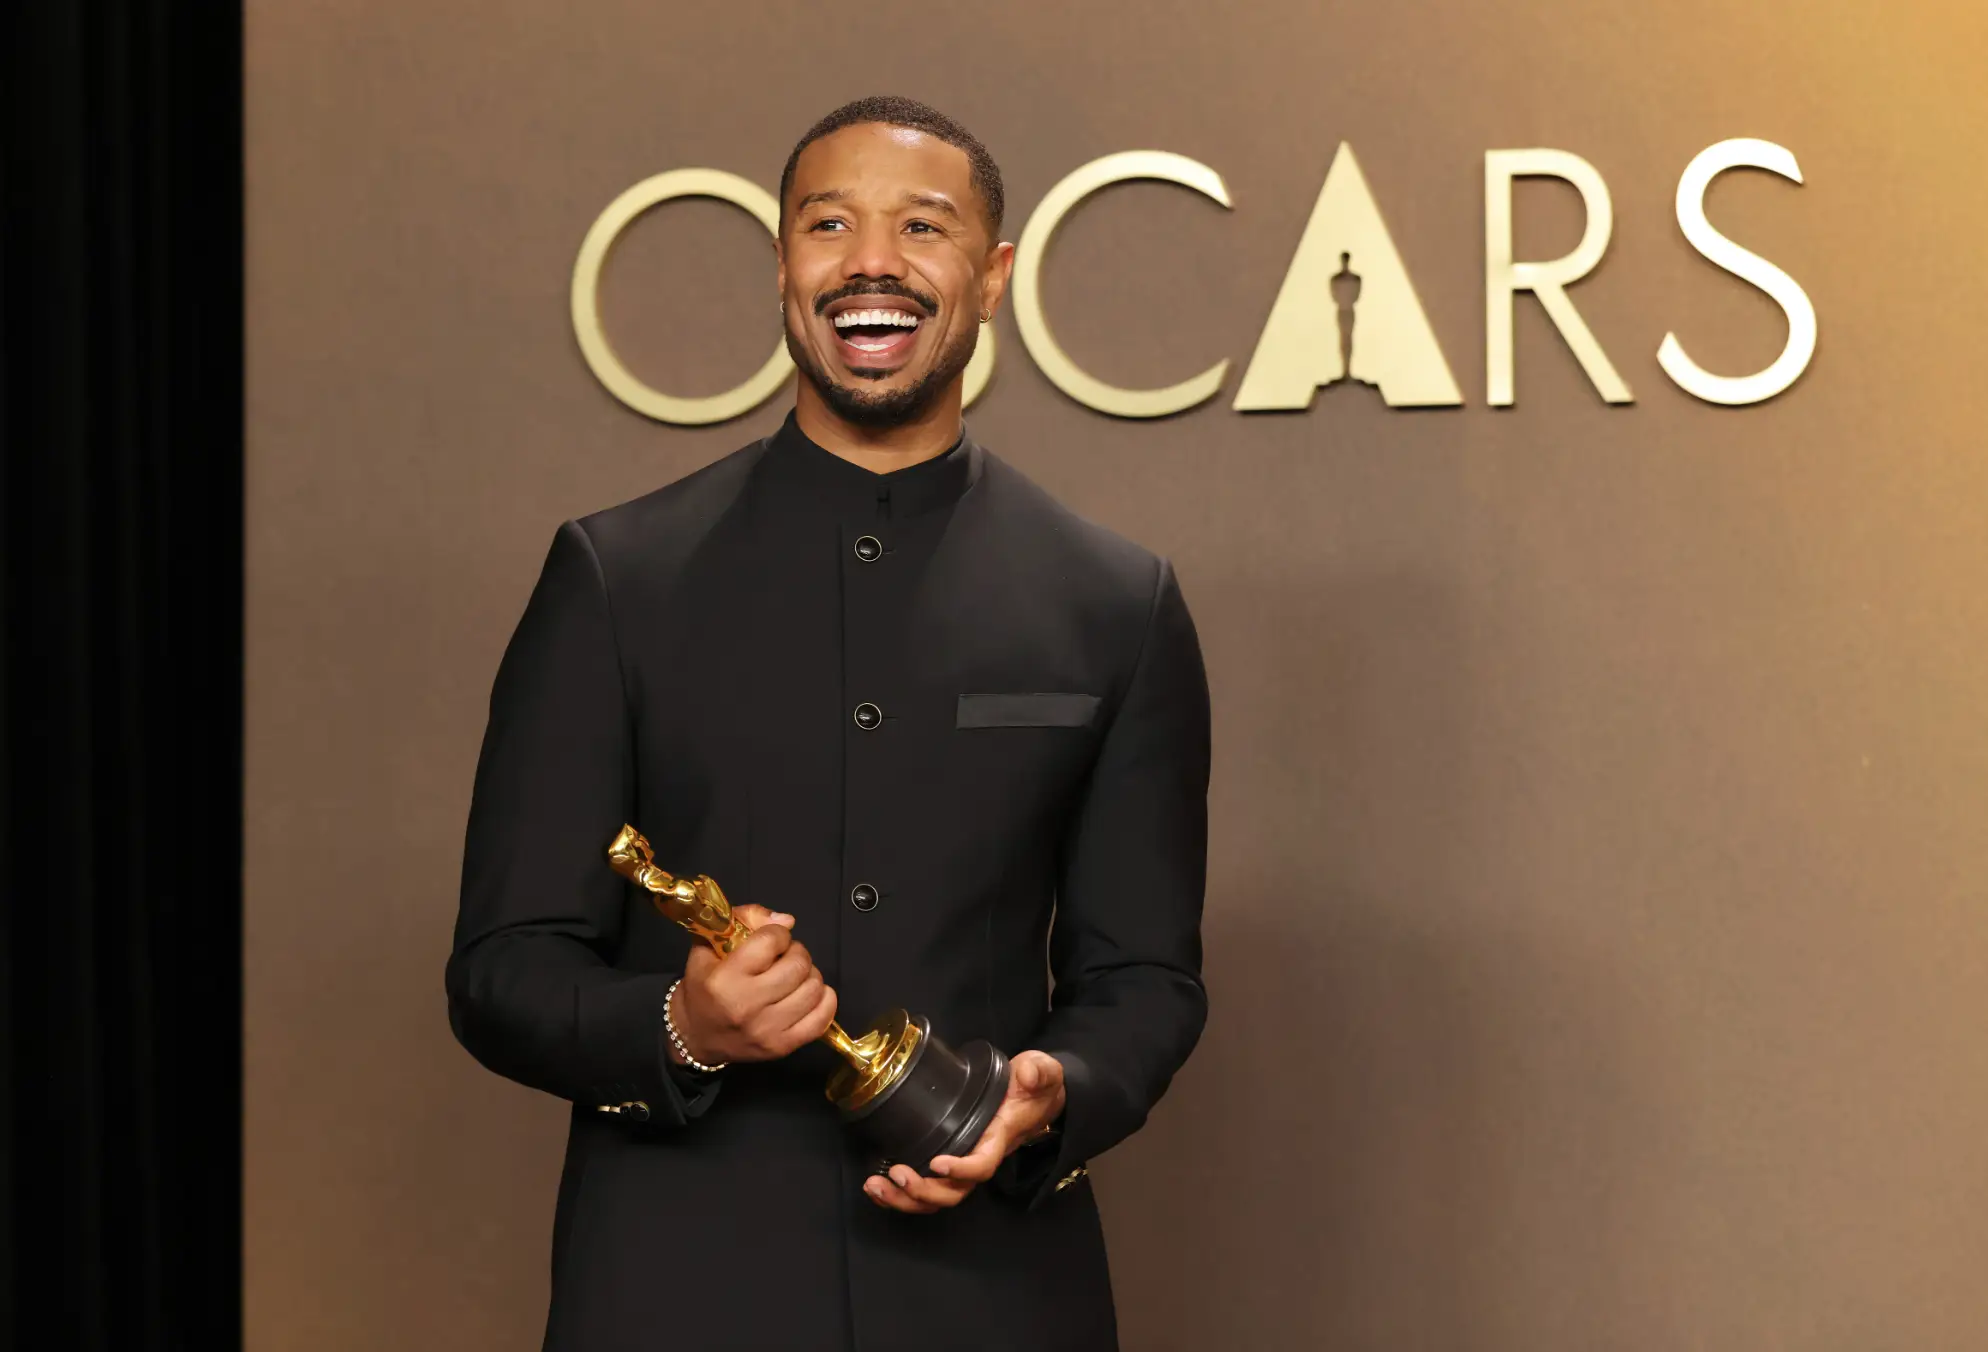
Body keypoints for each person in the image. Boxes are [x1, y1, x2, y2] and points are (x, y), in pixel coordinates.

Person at [447, 95, 1211, 1352]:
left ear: (992, 276)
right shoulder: (613, 578)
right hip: (672, 1292)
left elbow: (1143, 977)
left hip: (993, 1295)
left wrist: (1056, 1091)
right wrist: (682, 1025)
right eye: (829, 224)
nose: (871, 262)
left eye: (922, 226)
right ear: (781, 266)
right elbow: (501, 966)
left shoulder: (1116, 601)